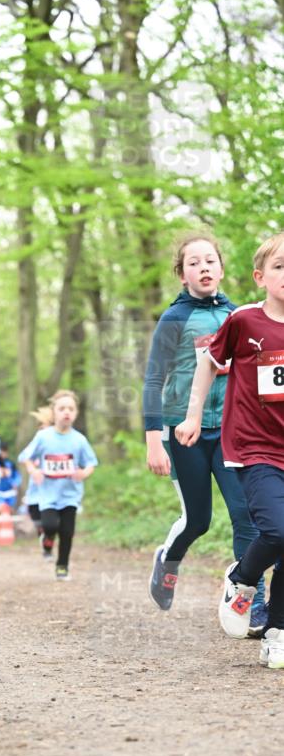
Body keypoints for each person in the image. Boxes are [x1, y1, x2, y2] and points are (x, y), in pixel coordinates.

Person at [143, 233, 266, 633]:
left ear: (222, 268)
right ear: (182, 275)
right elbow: (153, 380)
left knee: (247, 517)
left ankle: (253, 605)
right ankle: (169, 557)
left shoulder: (239, 316)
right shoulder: (173, 319)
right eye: (194, 263)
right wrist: (153, 440)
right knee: (198, 520)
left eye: (210, 261)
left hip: (232, 431)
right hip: (184, 432)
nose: (204, 268)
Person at [175, 232, 284, 669]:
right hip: (254, 447)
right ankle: (241, 579)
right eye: (280, 266)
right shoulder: (244, 321)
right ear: (260, 276)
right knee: (277, 530)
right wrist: (192, 414)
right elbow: (208, 361)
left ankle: (276, 631)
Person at [19, 390, 97, 581]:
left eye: (71, 408)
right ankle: (46, 542)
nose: (66, 412)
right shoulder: (43, 437)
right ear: (54, 412)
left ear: (76, 413)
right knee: (50, 525)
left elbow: (91, 463)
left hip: (70, 495)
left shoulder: (79, 439)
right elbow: (25, 457)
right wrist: (34, 471)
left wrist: (83, 473)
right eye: (62, 408)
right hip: (48, 495)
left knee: (67, 532)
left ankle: (62, 566)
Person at [22, 406, 53, 539]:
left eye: (45, 426)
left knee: (51, 524)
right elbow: (24, 456)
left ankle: (48, 540)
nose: (43, 430)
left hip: (53, 494)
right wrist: (32, 468)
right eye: (40, 427)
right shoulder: (37, 441)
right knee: (39, 522)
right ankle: (45, 541)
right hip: (35, 493)